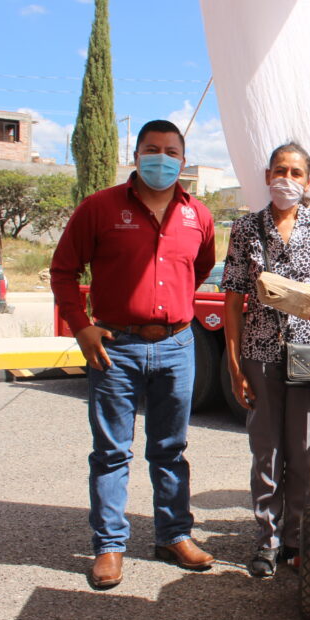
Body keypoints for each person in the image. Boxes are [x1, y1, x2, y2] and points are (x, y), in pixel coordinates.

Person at [51, 119, 217, 589]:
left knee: (170, 449)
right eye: (151, 149)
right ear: (136, 155)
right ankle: (108, 546)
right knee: (110, 453)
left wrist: (168, 312)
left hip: (177, 346)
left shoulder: (197, 216)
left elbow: (199, 267)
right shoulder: (99, 208)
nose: (160, 159)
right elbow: (63, 270)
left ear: (182, 162)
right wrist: (80, 326)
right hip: (115, 349)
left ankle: (173, 535)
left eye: (170, 151)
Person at [221, 142, 310, 578]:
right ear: (267, 176)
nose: (287, 178)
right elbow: (232, 300)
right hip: (260, 352)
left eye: (296, 172)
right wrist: (233, 366)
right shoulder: (246, 228)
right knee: (267, 452)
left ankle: (297, 539)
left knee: (301, 451)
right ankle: (267, 540)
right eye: (280, 170)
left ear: (309, 181)